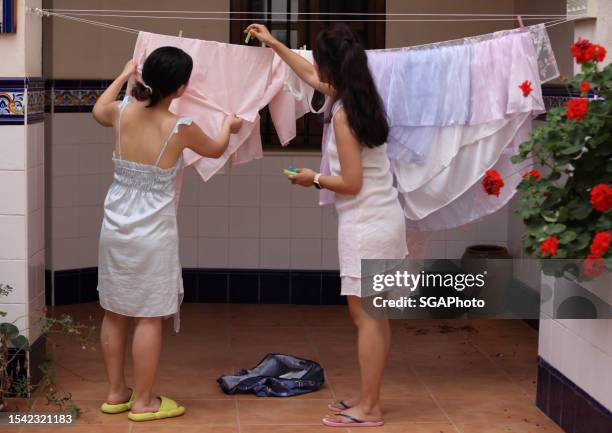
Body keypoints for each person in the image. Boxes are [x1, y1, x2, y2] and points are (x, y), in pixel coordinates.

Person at [245, 23, 408, 428]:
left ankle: (370, 409)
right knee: (375, 316)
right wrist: (274, 43)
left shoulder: (343, 115)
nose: (315, 68)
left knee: (366, 318)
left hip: (367, 224)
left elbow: (350, 183)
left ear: (332, 66)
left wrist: (311, 178)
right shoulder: (359, 97)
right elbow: (309, 75)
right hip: (381, 219)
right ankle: (368, 397)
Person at [92, 47, 242, 422]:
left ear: (145, 78)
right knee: (148, 316)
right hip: (152, 234)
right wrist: (229, 125)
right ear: (181, 87)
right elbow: (218, 147)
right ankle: (143, 402)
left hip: (114, 228)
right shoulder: (180, 127)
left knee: (113, 311)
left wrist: (124, 73)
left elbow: (98, 109)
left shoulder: (122, 111)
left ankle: (115, 394)